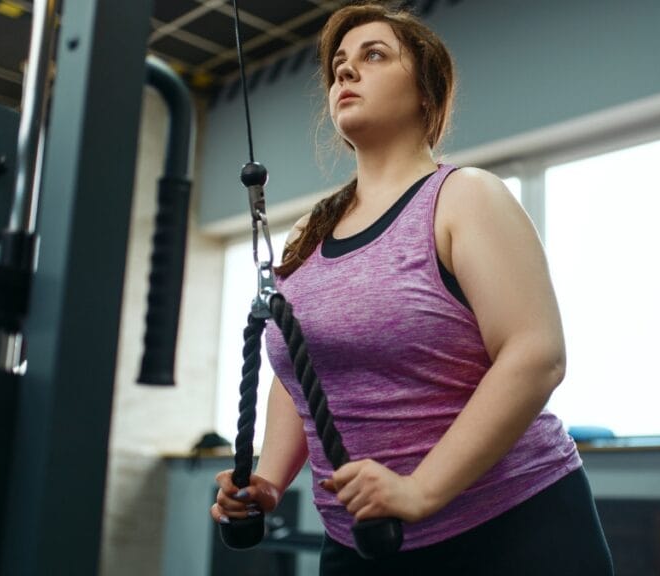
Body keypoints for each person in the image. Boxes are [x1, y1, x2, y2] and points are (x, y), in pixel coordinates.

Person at [212, 3, 614, 574]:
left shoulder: (465, 197)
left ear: (427, 94)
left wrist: (421, 490)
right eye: (339, 66)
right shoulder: (309, 232)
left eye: (373, 56)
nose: (345, 72)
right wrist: (269, 481)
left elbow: (535, 356)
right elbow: (302, 370)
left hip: (508, 527)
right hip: (362, 536)